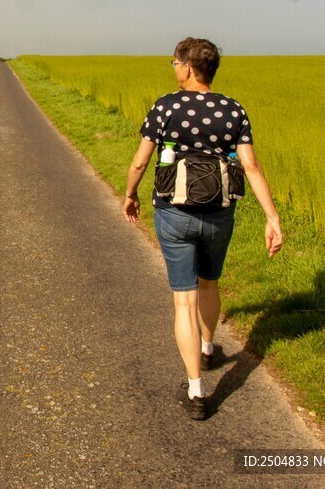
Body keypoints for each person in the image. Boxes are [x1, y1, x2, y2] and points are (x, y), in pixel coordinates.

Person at [122, 37, 283, 421]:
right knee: (209, 283)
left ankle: (196, 391)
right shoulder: (233, 109)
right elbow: (252, 167)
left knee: (184, 301)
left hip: (174, 213)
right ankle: (209, 348)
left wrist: (130, 194)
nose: (174, 68)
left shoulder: (165, 107)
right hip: (219, 215)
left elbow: (141, 162)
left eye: (175, 62)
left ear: (189, 68)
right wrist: (272, 217)